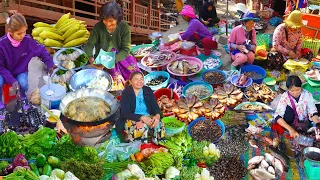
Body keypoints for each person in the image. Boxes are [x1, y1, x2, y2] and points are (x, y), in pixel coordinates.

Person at [0, 13, 54, 120]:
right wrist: (11, 80)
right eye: (19, 33)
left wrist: (49, 64)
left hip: (19, 71)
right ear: (10, 32)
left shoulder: (27, 41)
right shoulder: (2, 44)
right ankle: (1, 105)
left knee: (23, 83)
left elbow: (42, 50)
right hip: (4, 71)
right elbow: (0, 67)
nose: (22, 36)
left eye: (24, 32)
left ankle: (23, 98)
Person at [84, 2, 141, 91]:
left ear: (118, 18)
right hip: (103, 58)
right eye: (105, 20)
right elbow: (89, 44)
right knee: (114, 84)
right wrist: (90, 58)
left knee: (135, 78)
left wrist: (111, 61)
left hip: (122, 57)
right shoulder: (98, 27)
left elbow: (125, 50)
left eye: (111, 21)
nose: (107, 23)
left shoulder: (124, 27)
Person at [118, 72, 164, 144]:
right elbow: (125, 113)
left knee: (158, 124)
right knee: (142, 127)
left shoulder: (147, 90)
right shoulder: (126, 93)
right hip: (132, 117)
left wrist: (157, 116)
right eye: (136, 79)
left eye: (141, 79)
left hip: (148, 116)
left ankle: (156, 143)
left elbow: (155, 106)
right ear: (130, 81)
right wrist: (141, 118)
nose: (139, 81)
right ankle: (140, 146)